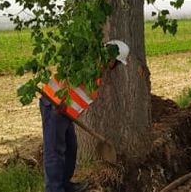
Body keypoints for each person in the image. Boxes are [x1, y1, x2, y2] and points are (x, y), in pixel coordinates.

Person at [39, 40, 129, 192]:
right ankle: (54, 189)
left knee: (71, 147)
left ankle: (65, 184)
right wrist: (60, 102)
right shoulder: (89, 62)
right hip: (54, 107)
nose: (115, 66)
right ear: (112, 57)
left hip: (65, 112)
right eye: (117, 62)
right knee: (55, 151)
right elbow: (68, 76)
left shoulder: (97, 68)